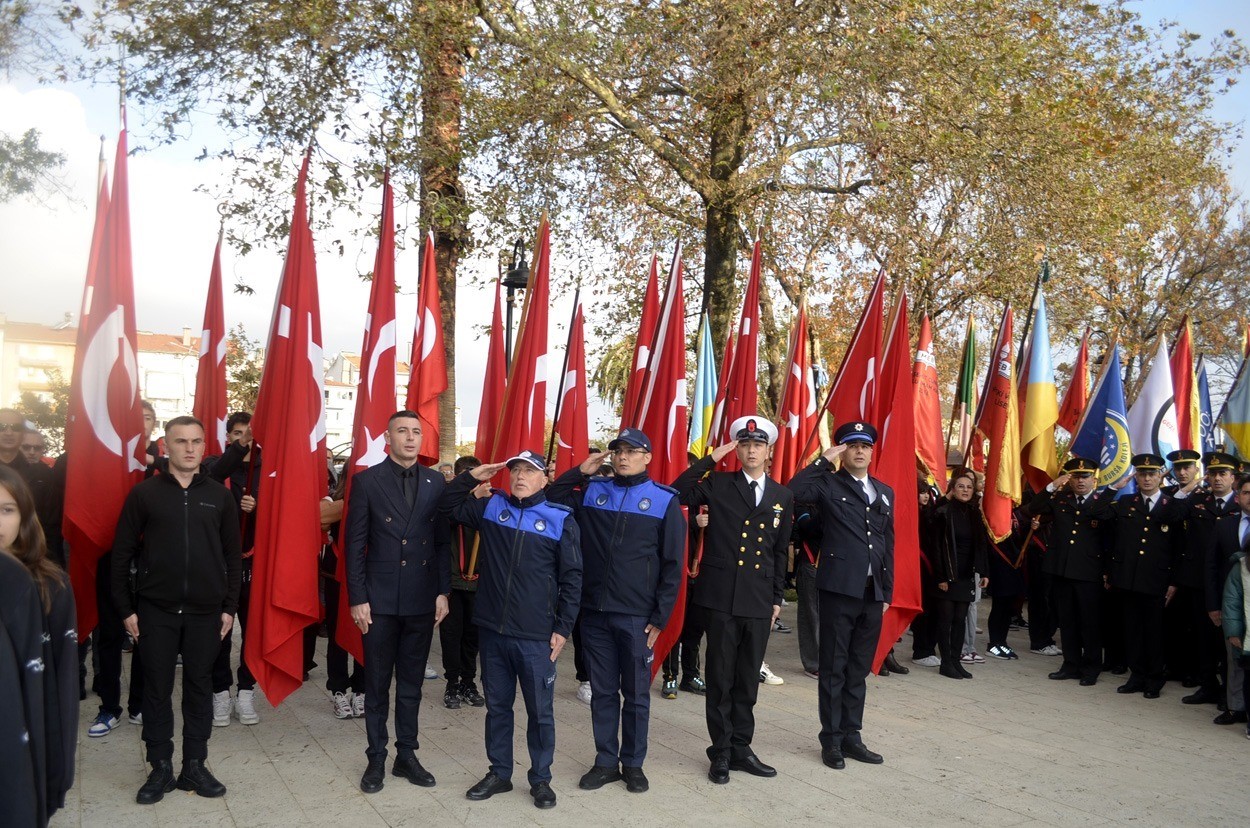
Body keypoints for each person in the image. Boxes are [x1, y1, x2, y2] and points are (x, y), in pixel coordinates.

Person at [111, 416, 242, 804]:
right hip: (156, 611)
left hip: (206, 612)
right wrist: (125, 608)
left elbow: (233, 557)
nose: (189, 448)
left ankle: (195, 765)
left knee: (200, 688)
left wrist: (229, 607)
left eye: (196, 441)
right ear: (165, 446)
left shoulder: (219, 495)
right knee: (156, 688)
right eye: (180, 441)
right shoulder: (145, 494)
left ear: (205, 447)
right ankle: (160, 766)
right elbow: (121, 554)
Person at [442, 449, 582, 809]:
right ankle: (499, 773)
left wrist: (563, 629)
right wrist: (472, 478)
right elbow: (446, 507)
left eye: (529, 471)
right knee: (498, 708)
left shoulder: (559, 518)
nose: (520, 476)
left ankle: (541, 779)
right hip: (492, 631)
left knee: (540, 712)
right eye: (516, 470)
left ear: (544, 479)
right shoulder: (492, 508)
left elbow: (573, 578)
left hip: (536, 636)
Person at [547, 428, 684, 794]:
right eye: (618, 451)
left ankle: (634, 763)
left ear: (647, 457)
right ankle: (606, 761)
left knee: (637, 694)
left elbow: (673, 565)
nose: (623, 457)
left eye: (632, 451)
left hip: (637, 616)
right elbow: (552, 496)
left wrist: (660, 617)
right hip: (593, 612)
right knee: (604, 691)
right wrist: (581, 471)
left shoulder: (663, 500)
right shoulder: (593, 491)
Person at [670, 416, 793, 784]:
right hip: (721, 595)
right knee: (721, 677)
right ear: (736, 450)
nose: (751, 450)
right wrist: (711, 458)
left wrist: (776, 599)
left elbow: (777, 550)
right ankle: (720, 751)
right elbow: (676, 491)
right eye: (744, 444)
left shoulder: (781, 496)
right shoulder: (719, 483)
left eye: (758, 445)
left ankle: (742, 747)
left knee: (747, 681)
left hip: (758, 598)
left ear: (768, 451)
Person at [344, 410, 451, 794]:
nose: (410, 438)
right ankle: (376, 758)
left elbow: (441, 543)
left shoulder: (435, 481)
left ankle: (407, 755)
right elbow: (354, 544)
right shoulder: (367, 481)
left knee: (410, 685)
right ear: (387, 438)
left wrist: (443, 591)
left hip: (421, 599)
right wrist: (358, 597)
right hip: (380, 601)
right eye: (402, 431)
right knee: (376, 684)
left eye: (416, 432)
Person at [788, 421, 894, 770]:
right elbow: (792, 491)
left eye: (865, 445)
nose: (860, 451)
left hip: (871, 592)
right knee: (833, 667)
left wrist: (887, 590)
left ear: (872, 450)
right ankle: (831, 740)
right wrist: (823, 460)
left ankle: (853, 736)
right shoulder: (828, 485)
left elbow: (886, 544)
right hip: (837, 589)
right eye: (851, 445)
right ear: (842, 451)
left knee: (858, 669)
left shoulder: (884, 491)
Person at [1, 465, 78, 823]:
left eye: (6, 509)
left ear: (24, 518)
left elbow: (61, 686)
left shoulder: (51, 587)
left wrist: (57, 770)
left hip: (26, 744)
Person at [1107, 453, 1195, 699]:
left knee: (1155, 633)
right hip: (1128, 579)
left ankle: (1155, 678)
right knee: (1132, 631)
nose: (1147, 478)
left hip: (1157, 581)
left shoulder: (1171, 505)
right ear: (1136, 476)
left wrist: (1174, 582)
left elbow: (1179, 549)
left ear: (1160, 476)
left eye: (1152, 474)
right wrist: (1115, 486)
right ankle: (1136, 676)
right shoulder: (1125, 503)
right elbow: (1100, 515)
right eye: (1142, 474)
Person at [1029, 458, 1115, 685]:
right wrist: (1052, 486)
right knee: (1067, 621)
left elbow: (1109, 541)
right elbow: (1034, 508)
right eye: (1076, 476)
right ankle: (1070, 664)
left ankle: (1091, 667)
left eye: (1085, 477)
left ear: (1093, 480)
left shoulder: (1101, 503)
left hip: (1089, 573)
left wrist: (1107, 571)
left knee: (1089, 623)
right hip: (1062, 570)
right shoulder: (1061, 499)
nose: (1080, 481)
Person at [206, 411, 263, 726]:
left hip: (254, 563)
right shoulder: (217, 465)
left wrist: (259, 508)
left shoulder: (266, 469)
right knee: (220, 632)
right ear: (229, 437)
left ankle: (246, 691)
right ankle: (220, 693)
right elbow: (213, 475)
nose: (245, 439)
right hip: (221, 565)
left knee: (252, 632)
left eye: (250, 435)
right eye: (239, 434)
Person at [1172, 452, 1239, 706]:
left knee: (1230, 642)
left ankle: (1229, 692)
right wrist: (1187, 489)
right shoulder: (1198, 500)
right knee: (1203, 638)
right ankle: (1208, 685)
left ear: (1233, 478)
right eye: (1213, 473)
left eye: (1223, 474)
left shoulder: (1242, 504)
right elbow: (1172, 515)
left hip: (1234, 582)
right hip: (1201, 581)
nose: (1218, 478)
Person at [926, 470, 989, 679]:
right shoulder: (943, 511)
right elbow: (935, 546)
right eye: (961, 486)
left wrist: (984, 571)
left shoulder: (973, 513)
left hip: (966, 574)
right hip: (947, 574)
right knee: (946, 619)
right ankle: (945, 663)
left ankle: (956, 660)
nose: (965, 490)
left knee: (960, 619)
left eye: (969, 487)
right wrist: (941, 577)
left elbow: (981, 544)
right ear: (953, 489)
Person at [440, 455, 487, 710]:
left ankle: (469, 681)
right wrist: (471, 496)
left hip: (478, 583)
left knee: (472, 637)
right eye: (467, 473)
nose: (473, 477)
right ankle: (452, 683)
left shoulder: (487, 502)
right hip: (453, 582)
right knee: (451, 635)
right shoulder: (447, 503)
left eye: (476, 472)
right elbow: (450, 515)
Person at [1211, 473, 1250, 727]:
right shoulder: (1225, 524)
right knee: (1235, 660)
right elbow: (1211, 565)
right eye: (1246, 492)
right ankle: (1235, 708)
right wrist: (1214, 605)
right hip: (1234, 606)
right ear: (1238, 497)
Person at [1220, 493, 1250, 739]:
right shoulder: (1240, 567)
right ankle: (1236, 708)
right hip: (1243, 627)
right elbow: (1231, 602)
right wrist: (1232, 630)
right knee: (1238, 667)